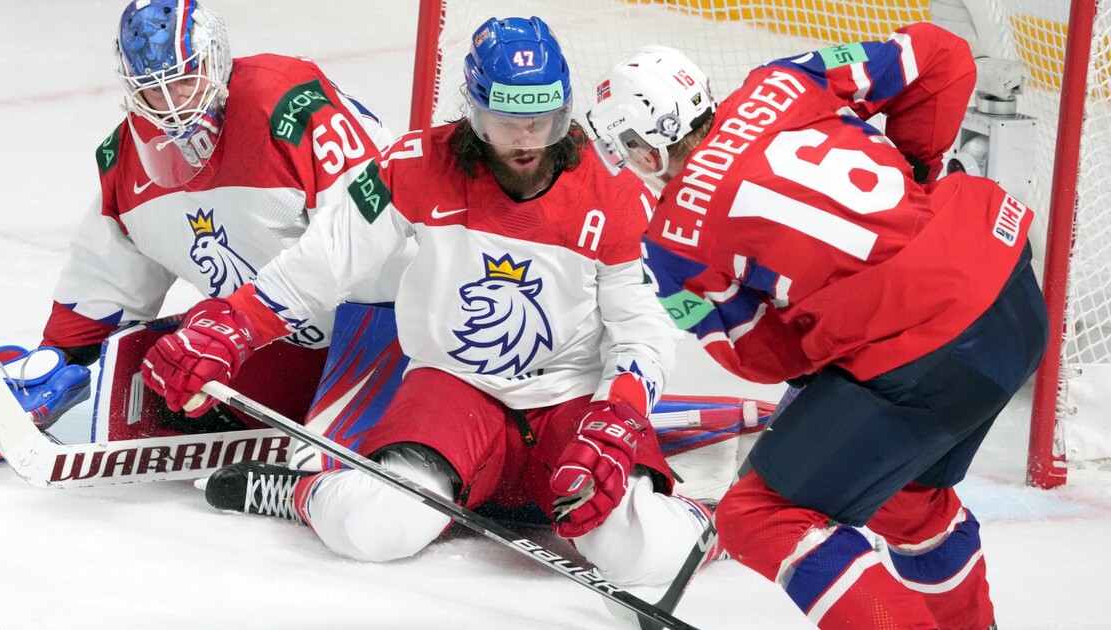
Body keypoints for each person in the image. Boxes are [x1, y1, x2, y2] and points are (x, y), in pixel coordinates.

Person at [142, 16, 719, 587]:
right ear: (474, 111)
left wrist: (616, 418)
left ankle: (716, 524)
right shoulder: (413, 164)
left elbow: (643, 331)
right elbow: (325, 260)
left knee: (640, 553)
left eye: (540, 121)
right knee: (376, 528)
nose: (526, 141)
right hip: (453, 389)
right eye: (506, 122)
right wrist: (234, 326)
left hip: (571, 396)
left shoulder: (616, 194)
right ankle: (301, 493)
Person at [586, 25, 1046, 629]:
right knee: (905, 497)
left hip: (923, 357)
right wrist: (914, 171)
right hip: (1011, 294)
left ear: (646, 150)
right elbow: (944, 58)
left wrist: (816, 332)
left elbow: (763, 359)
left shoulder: (670, 243)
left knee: (757, 516)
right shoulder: (783, 80)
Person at [0, 0, 401, 459]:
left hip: (397, 327)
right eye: (155, 90)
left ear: (215, 60)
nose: (175, 106)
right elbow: (107, 274)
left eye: (184, 80)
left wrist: (238, 324)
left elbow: (366, 233)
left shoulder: (286, 99)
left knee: (344, 467)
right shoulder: (127, 157)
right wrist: (55, 365)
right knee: (167, 380)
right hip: (286, 341)